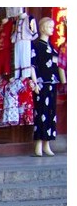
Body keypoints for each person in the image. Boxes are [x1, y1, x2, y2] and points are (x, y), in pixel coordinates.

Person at [30, 16, 66, 157]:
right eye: (50, 27)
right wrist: (35, 82)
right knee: (41, 113)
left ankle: (47, 143)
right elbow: (32, 65)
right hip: (41, 83)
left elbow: (58, 65)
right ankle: (38, 144)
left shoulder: (52, 47)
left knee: (50, 113)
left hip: (52, 83)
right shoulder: (36, 45)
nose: (52, 29)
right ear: (43, 27)